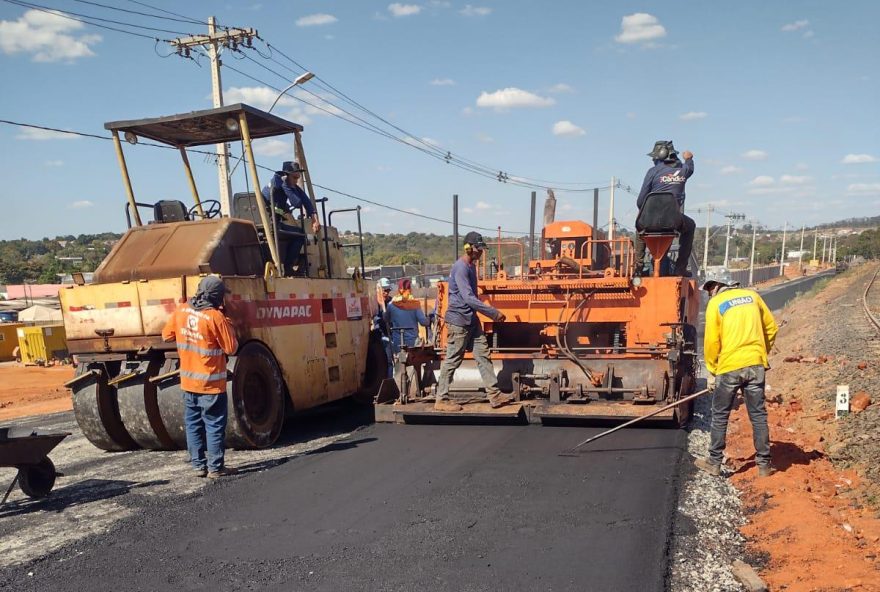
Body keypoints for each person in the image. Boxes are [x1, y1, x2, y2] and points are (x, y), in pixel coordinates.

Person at [695, 279, 779, 478]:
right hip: (755, 364)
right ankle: (764, 465)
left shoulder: (716, 304)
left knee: (720, 415)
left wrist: (712, 370)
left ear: (716, 287)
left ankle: (714, 463)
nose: (709, 295)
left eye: (709, 291)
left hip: (729, 366)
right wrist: (760, 354)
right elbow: (772, 328)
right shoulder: (753, 297)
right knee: (758, 415)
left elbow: (711, 341)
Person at [162, 276, 239, 479]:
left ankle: (198, 466)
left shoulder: (182, 310)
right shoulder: (215, 317)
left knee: (193, 424)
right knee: (213, 425)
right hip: (211, 384)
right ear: (218, 297)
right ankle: (215, 468)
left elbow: (166, 335)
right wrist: (228, 325)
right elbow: (231, 348)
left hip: (188, 382)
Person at [435, 231, 513, 412]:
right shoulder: (461, 268)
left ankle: (494, 395)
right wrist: (493, 313)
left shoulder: (472, 267)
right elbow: (469, 298)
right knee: (453, 359)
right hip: (459, 321)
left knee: (483, 355)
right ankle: (441, 399)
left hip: (471, 320)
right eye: (478, 249)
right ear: (468, 248)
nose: (480, 253)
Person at [634, 141, 696, 277]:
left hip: (650, 221)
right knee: (690, 226)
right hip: (673, 221)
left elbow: (640, 202)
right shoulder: (683, 170)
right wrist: (689, 158)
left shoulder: (653, 172)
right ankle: (680, 268)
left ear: (661, 155)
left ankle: (637, 267)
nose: (653, 160)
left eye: (654, 158)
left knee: (640, 228)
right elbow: (690, 168)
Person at [260, 161, 321, 275]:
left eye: (298, 178)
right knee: (300, 235)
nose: (296, 180)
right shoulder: (279, 183)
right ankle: (288, 268)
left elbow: (306, 201)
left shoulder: (286, 182)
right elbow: (297, 202)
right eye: (294, 177)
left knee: (296, 231)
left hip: (274, 221)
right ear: (286, 175)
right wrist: (290, 187)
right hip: (271, 224)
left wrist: (314, 219)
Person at [384, 278, 430, 355]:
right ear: (409, 289)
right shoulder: (414, 304)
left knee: (399, 362)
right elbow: (423, 322)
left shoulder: (391, 305)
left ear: (399, 290)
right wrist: (428, 319)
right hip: (412, 342)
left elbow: (386, 319)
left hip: (397, 342)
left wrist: (383, 310)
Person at [373, 277, 394, 378]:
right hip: (379, 338)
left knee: (391, 361)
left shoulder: (390, 302)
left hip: (389, 336)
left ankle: (391, 381)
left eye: (388, 290)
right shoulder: (373, 304)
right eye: (384, 290)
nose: (386, 293)